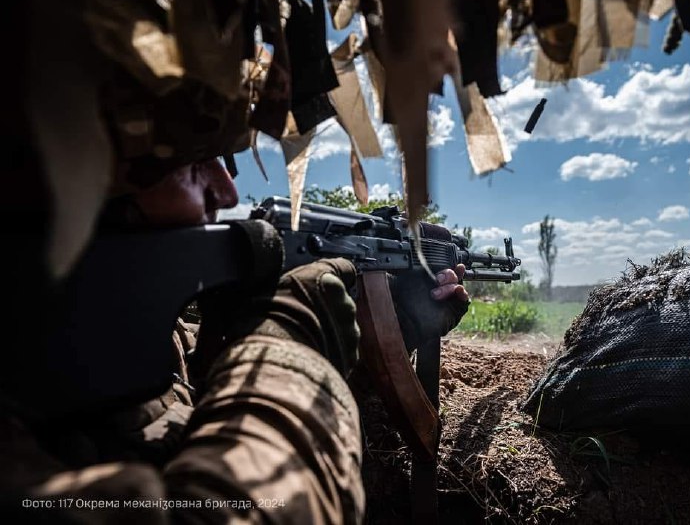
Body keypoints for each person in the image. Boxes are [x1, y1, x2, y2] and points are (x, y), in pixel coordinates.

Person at [0, 155, 469, 524]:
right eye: (192, 160)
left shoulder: (150, 344)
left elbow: (225, 414)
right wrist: (289, 346)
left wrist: (389, 328)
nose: (227, 192)